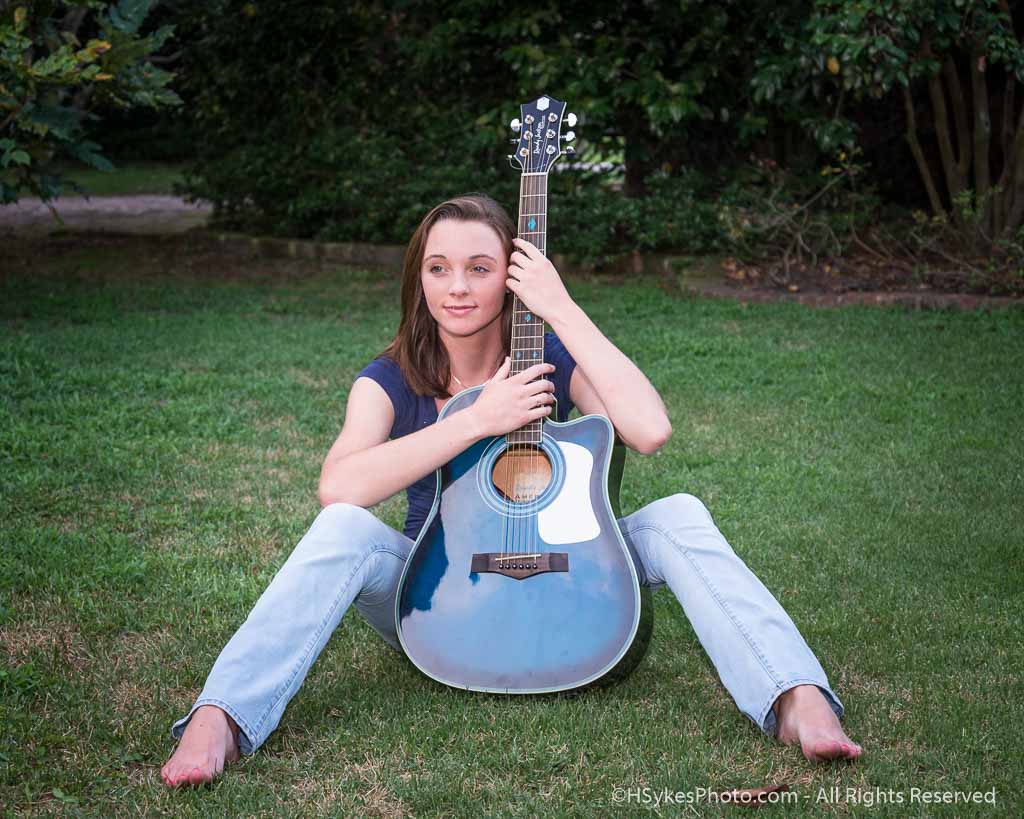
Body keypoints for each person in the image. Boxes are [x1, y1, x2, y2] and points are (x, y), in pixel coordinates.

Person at [161, 193, 862, 788]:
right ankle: (222, 716)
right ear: (419, 280)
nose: (457, 287)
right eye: (438, 268)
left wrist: (561, 308)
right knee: (343, 529)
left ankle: (793, 694)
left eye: (479, 268)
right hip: (434, 595)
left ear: (512, 281)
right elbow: (338, 487)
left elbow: (648, 429)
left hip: (577, 569)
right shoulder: (390, 378)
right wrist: (476, 422)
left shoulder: (548, 361)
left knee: (678, 512)